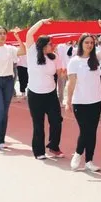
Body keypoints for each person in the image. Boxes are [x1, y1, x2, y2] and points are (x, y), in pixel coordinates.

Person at [65, 24, 101, 172]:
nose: (89, 45)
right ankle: (78, 154)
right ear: (81, 43)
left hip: (95, 101)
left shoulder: (96, 58)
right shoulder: (74, 61)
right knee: (85, 131)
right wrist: (68, 101)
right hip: (80, 102)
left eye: (92, 43)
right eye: (86, 42)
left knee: (92, 131)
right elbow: (71, 83)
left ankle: (89, 161)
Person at [13, 20, 64, 159]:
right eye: (50, 44)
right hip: (35, 95)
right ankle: (39, 151)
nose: (52, 46)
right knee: (38, 124)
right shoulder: (32, 52)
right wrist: (42, 22)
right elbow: (30, 33)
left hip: (51, 94)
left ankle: (53, 146)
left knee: (56, 120)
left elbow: (59, 74)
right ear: (43, 45)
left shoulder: (54, 57)